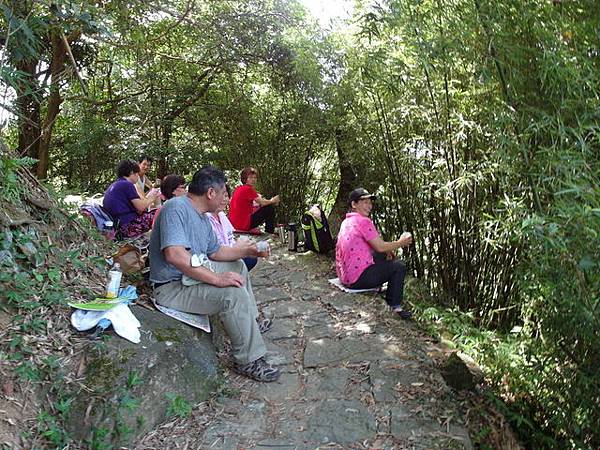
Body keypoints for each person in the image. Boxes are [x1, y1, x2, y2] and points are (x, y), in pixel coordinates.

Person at [149, 166, 279, 382]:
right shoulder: (175, 208)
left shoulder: (202, 217)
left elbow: (216, 252)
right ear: (210, 193)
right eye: (222, 194)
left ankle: (252, 322)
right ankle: (247, 360)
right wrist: (217, 279)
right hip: (172, 287)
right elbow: (174, 254)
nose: (224, 199)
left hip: (188, 278)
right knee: (232, 294)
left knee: (237, 266)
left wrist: (248, 250)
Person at [336, 188, 413, 319]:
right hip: (357, 279)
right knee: (399, 266)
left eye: (370, 203)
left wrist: (387, 250)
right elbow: (380, 246)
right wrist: (402, 242)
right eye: (364, 202)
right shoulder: (363, 221)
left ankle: (383, 288)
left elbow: (377, 247)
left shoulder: (347, 221)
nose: (369, 206)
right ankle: (395, 306)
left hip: (345, 277)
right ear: (354, 205)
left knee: (384, 255)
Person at [103, 160, 159, 238]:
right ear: (132, 172)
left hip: (118, 226)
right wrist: (152, 198)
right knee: (159, 213)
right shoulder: (127, 185)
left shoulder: (117, 184)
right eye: (137, 173)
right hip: (127, 227)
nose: (138, 176)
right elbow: (141, 207)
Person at [207, 186, 258, 271]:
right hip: (217, 259)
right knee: (248, 259)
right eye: (220, 195)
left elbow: (230, 238)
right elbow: (213, 252)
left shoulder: (221, 215)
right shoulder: (205, 218)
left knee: (251, 255)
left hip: (229, 253)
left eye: (226, 196)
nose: (224, 199)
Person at [229, 167, 280, 234]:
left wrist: (269, 201)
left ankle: (270, 230)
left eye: (255, 177)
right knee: (269, 208)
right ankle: (269, 232)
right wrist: (273, 200)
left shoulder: (239, 188)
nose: (253, 180)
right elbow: (263, 202)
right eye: (250, 177)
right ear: (245, 179)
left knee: (266, 206)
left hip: (235, 224)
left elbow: (259, 202)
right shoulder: (248, 189)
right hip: (243, 225)